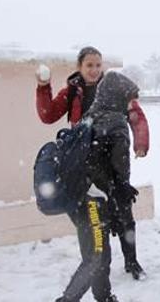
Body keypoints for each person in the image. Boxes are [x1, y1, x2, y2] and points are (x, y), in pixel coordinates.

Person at [35, 46, 148, 280]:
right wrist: (43, 87)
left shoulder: (113, 88)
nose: (94, 70)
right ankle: (97, 265)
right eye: (89, 65)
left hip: (113, 160)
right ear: (80, 67)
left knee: (124, 213)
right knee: (95, 219)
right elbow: (48, 114)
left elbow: (136, 115)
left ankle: (131, 261)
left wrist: (141, 142)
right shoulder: (72, 92)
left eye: (98, 65)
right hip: (86, 165)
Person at [48, 71, 142, 302]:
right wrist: (117, 202)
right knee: (96, 257)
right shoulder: (116, 124)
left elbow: (92, 163)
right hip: (94, 201)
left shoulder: (89, 117)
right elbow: (120, 173)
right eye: (128, 100)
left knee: (99, 254)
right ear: (118, 96)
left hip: (78, 198)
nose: (130, 106)